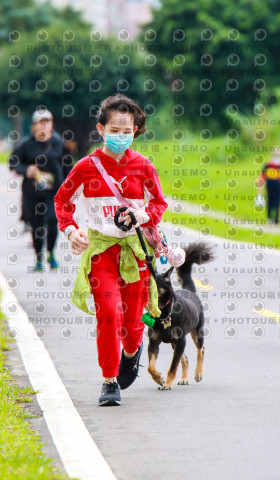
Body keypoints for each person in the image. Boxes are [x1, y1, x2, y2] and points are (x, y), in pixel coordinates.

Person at [54, 93, 168, 406]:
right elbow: (62, 201)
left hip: (134, 254)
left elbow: (159, 203)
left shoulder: (143, 166)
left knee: (132, 325)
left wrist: (141, 215)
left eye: (126, 130)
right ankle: (109, 380)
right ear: (101, 129)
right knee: (107, 313)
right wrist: (71, 230)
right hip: (101, 252)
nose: (121, 136)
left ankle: (131, 353)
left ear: (136, 130)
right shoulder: (86, 167)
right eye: (114, 130)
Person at [9, 109, 73, 271]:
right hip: (32, 192)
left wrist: (70, 186)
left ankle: (50, 252)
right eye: (40, 122)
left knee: (52, 221)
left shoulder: (58, 142)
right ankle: (39, 257)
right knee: (37, 225)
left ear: (52, 124)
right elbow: (14, 162)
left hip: (54, 191)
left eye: (47, 121)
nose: (44, 125)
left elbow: (67, 166)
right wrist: (26, 169)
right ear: (34, 125)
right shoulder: (26, 143)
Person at [255, 147, 280, 224]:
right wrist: (260, 185)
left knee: (278, 203)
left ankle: (276, 221)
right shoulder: (268, 165)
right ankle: (269, 219)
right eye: (275, 155)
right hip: (269, 188)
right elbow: (262, 176)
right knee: (270, 203)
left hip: (279, 189)